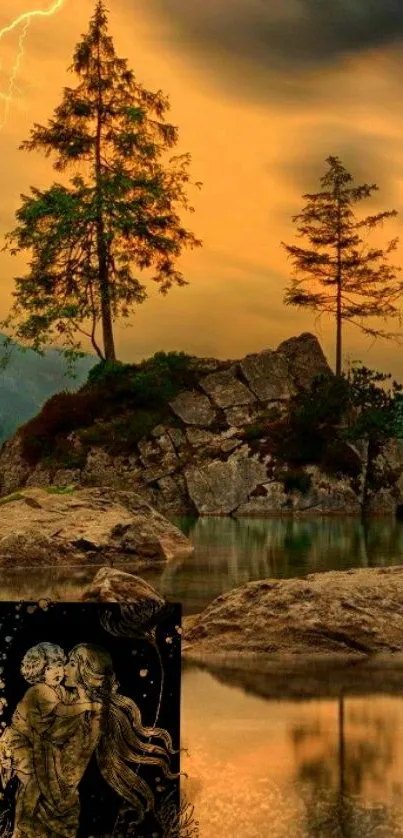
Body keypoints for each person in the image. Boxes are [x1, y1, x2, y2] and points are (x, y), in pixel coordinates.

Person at [18, 643, 178, 837]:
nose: (63, 669)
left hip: (54, 794)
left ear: (88, 672)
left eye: (72, 663)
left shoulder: (94, 712)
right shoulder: (66, 699)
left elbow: (73, 765)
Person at [0, 643, 98, 838]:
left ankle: (24, 825)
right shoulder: (39, 691)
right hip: (17, 743)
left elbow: (70, 701)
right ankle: (25, 819)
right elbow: (63, 711)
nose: (57, 671)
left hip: (33, 744)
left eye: (60, 665)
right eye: (49, 668)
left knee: (39, 782)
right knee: (35, 778)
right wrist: (87, 705)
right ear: (38, 671)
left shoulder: (58, 690)